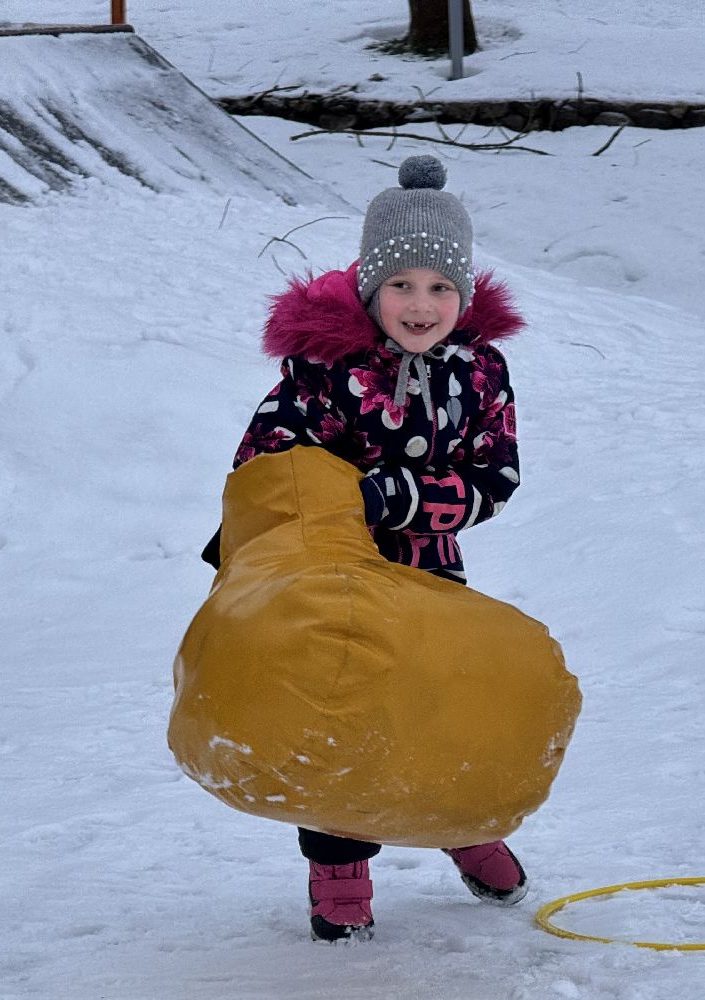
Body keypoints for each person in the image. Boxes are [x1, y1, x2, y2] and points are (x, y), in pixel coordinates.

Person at [203, 155, 530, 942]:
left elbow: (496, 476)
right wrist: (332, 496)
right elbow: (268, 459)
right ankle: (338, 867)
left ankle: (463, 821)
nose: (422, 305)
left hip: (430, 576)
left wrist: (403, 498)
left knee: (441, 703)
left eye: (441, 287)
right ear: (370, 287)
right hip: (330, 584)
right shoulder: (323, 370)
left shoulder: (481, 372)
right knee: (340, 719)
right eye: (403, 286)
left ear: (464, 292)